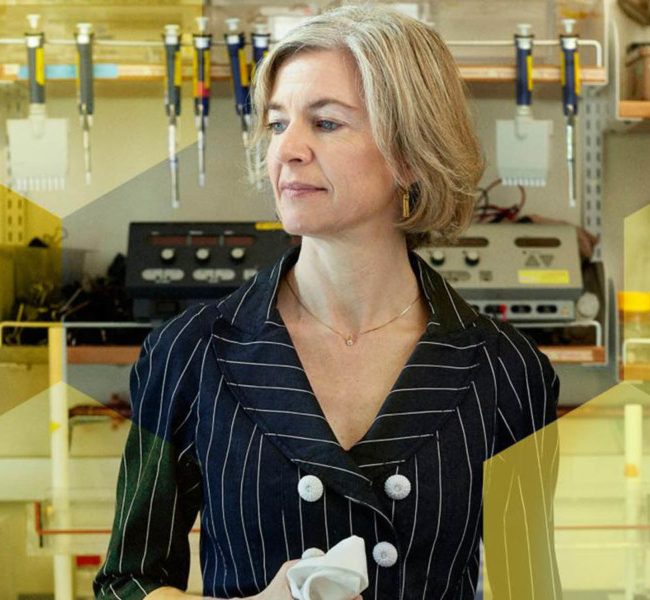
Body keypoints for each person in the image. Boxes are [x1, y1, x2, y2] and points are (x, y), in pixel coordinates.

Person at [95, 5, 560, 599]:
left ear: (412, 152)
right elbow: (126, 582)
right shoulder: (188, 354)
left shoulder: (509, 374)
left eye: (327, 123)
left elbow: (532, 587)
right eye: (276, 123)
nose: (286, 150)